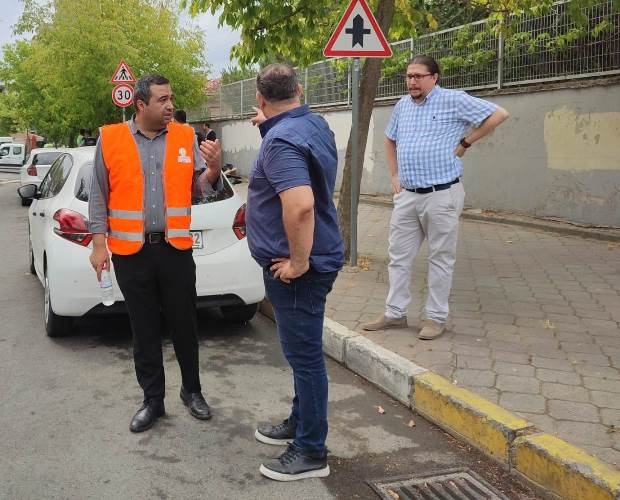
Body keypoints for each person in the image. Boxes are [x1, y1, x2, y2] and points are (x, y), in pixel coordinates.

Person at [88, 74, 223, 433]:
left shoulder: (184, 136)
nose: (169, 106)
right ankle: (153, 401)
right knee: (143, 328)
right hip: (131, 253)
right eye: (162, 100)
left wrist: (211, 169)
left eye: (171, 99)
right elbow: (99, 195)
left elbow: (200, 188)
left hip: (175, 249)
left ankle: (192, 392)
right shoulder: (111, 138)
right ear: (141, 104)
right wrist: (99, 244)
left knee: (185, 324)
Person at [362, 55, 509, 340]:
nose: (412, 81)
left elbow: (499, 114)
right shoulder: (403, 106)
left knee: (441, 258)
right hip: (408, 195)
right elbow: (389, 139)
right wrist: (394, 176)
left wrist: (466, 142)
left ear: (434, 77)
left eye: (418, 76)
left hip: (441, 194)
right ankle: (394, 313)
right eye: (409, 76)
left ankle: (435, 318)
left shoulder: (454, 100)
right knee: (398, 257)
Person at [246, 63, 344, 481]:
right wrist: (269, 127)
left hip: (300, 269)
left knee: (305, 359)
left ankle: (310, 450)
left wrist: (298, 263)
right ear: (299, 90)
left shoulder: (282, 140)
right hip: (314, 257)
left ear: (260, 99)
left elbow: (300, 205)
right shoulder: (312, 123)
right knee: (302, 354)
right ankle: (299, 422)